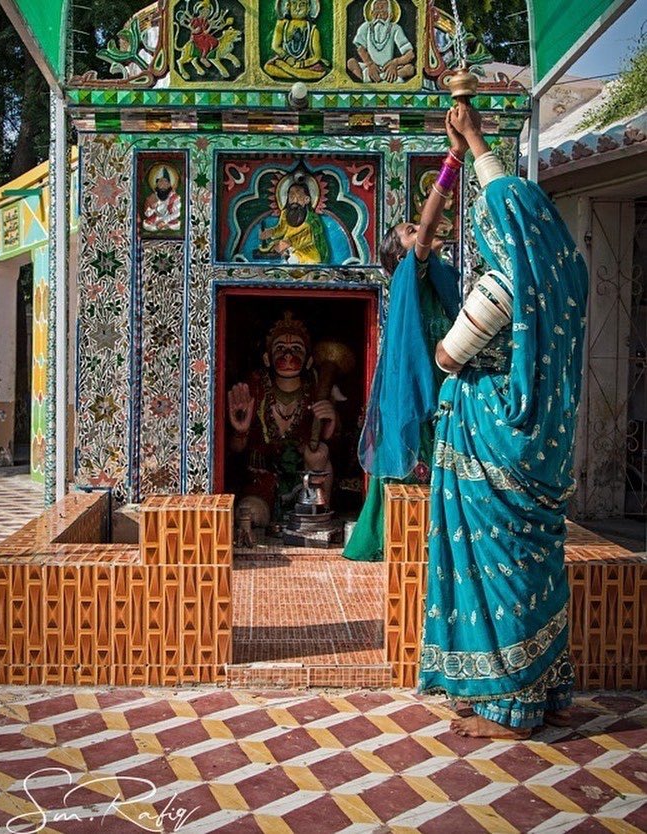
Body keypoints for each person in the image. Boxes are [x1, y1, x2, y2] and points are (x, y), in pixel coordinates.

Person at [418, 102, 588, 738]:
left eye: (488, 224)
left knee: (497, 567)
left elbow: (446, 355)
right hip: (542, 444)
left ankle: (509, 707)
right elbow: (509, 198)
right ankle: (548, 691)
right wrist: (474, 144)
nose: (483, 229)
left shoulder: (500, 289)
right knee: (536, 561)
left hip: (491, 443)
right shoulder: (563, 276)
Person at [344, 111, 463, 561]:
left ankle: (431, 547)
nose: (420, 231)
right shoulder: (410, 275)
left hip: (439, 383)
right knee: (411, 471)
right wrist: (454, 157)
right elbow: (431, 227)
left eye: (416, 227)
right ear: (400, 256)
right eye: (410, 232)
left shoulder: (436, 279)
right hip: (417, 388)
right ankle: (404, 545)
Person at [227, 312, 338, 526]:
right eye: (280, 349)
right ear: (267, 358)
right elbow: (235, 449)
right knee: (250, 513)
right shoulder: (255, 390)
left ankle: (316, 511)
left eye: (296, 349)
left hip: (302, 481)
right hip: (261, 480)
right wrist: (240, 430)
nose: (288, 356)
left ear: (309, 360)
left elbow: (338, 449)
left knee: (319, 453)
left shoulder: (317, 391)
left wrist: (330, 425)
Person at [258, 177, 329, 264]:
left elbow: (309, 236)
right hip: (289, 250)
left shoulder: (312, 218)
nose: (294, 200)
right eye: (291, 197)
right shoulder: (285, 213)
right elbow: (281, 229)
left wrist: (289, 242)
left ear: (307, 199)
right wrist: (271, 232)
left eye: (299, 197)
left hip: (308, 255)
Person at [347, 0, 415, 83]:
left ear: (390, 15)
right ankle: (364, 84)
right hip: (368, 68)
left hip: (389, 69)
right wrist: (370, 64)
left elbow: (410, 54)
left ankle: (384, 78)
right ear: (371, 13)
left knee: (410, 69)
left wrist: (395, 63)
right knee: (351, 63)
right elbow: (360, 48)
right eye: (376, 11)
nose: (379, 15)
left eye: (383, 11)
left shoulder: (395, 28)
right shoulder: (365, 27)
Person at [264, 0, 329, 81]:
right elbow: (275, 46)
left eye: (302, 4)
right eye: (294, 3)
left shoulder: (313, 30)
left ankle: (292, 72)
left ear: (308, 8)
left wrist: (300, 64)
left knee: (320, 72)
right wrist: (287, 58)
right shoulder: (282, 24)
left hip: (303, 64)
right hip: (285, 60)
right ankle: (300, 75)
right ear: (288, 6)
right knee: (268, 67)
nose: (298, 8)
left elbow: (317, 56)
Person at [143, 166, 182, 233]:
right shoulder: (151, 197)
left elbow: (177, 213)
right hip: (154, 221)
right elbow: (147, 214)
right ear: (157, 184)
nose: (163, 184)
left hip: (169, 220)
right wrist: (152, 208)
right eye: (160, 182)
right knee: (147, 226)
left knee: (176, 226)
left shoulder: (175, 197)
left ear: (169, 184)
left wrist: (164, 221)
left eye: (166, 182)